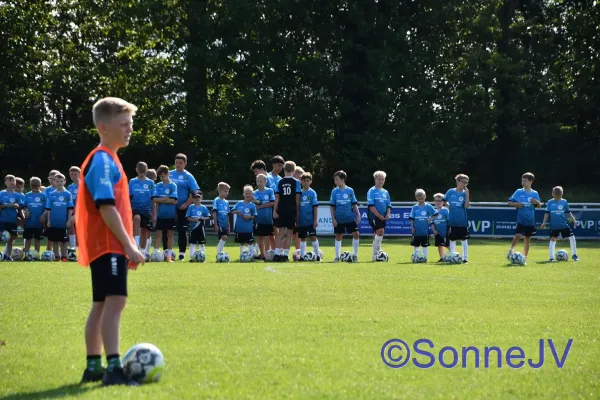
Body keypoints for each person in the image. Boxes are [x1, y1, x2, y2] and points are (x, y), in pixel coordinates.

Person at [76, 97, 144, 386]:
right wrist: (129, 245)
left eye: (130, 123)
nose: (129, 129)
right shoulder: (103, 159)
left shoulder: (109, 158)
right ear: (104, 127)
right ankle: (113, 368)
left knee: (102, 304)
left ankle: (93, 367)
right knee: (115, 302)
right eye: (123, 124)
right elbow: (106, 206)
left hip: (105, 244)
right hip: (108, 244)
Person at [169, 154, 200, 261]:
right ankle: (167, 252)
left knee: (182, 231)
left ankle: (181, 254)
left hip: (183, 208)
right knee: (168, 230)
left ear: (185, 164)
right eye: (176, 162)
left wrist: (186, 204)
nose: (178, 165)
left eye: (180, 163)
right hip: (169, 207)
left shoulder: (188, 176)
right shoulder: (169, 174)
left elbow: (196, 192)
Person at [506, 172, 542, 262]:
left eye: (525, 180)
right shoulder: (518, 192)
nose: (523, 182)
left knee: (527, 238)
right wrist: (516, 204)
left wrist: (537, 202)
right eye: (522, 180)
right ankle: (511, 250)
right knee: (518, 235)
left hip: (530, 220)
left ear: (531, 182)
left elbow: (539, 205)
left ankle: (525, 257)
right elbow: (509, 202)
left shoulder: (534, 193)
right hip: (521, 219)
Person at [541, 186, 579, 262]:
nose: (558, 197)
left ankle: (574, 255)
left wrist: (574, 220)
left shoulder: (564, 202)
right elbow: (547, 213)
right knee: (552, 239)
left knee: (572, 237)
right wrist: (544, 222)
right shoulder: (550, 202)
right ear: (553, 195)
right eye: (556, 196)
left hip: (563, 225)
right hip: (554, 226)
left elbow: (568, 212)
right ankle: (551, 257)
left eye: (559, 196)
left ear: (562, 194)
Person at [330, 170, 361, 262]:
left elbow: (354, 204)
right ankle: (337, 257)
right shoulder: (334, 192)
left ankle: (355, 255)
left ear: (342, 179)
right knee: (338, 236)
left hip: (350, 218)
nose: (335, 181)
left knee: (356, 234)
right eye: (335, 180)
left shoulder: (350, 190)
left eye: (337, 179)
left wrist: (358, 214)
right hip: (339, 219)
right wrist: (333, 219)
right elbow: (332, 207)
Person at [273, 161, 301, 262]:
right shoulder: (296, 182)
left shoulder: (280, 182)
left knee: (280, 233)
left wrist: (275, 210)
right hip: (291, 210)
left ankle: (276, 254)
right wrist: (297, 210)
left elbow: (277, 197)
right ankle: (285, 255)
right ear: (294, 170)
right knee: (289, 233)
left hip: (281, 209)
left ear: (284, 170)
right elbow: (297, 197)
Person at [45, 173, 74, 261]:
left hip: (63, 222)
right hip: (54, 221)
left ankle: (64, 256)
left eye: (61, 181)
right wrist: (49, 221)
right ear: (54, 182)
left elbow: (70, 209)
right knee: (55, 240)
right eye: (57, 181)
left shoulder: (67, 194)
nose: (59, 183)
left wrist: (69, 220)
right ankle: (56, 256)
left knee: (64, 241)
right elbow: (49, 209)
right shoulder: (51, 194)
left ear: (64, 182)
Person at [152, 165, 178, 262]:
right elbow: (154, 199)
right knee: (158, 233)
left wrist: (161, 200)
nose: (162, 178)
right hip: (161, 215)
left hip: (170, 215)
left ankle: (169, 256)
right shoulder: (158, 186)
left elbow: (174, 201)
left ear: (168, 174)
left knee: (170, 234)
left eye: (164, 176)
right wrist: (167, 198)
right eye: (160, 177)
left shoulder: (173, 186)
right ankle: (155, 253)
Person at [444, 174, 470, 263]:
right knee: (452, 239)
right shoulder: (451, 191)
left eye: (467, 182)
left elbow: (466, 206)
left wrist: (467, 195)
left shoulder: (465, 193)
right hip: (453, 220)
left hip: (462, 221)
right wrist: (447, 205)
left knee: (464, 239)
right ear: (458, 181)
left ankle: (465, 258)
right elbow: (444, 200)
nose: (465, 184)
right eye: (463, 182)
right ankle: (452, 256)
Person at [129, 162, 154, 252]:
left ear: (146, 170)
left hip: (146, 209)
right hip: (135, 207)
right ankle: (135, 243)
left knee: (144, 230)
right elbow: (129, 196)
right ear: (136, 170)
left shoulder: (150, 183)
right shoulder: (132, 181)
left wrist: (154, 214)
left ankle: (142, 251)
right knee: (137, 218)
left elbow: (153, 199)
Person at [367, 171, 391, 261]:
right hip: (373, 215)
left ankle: (375, 254)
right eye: (379, 179)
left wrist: (388, 214)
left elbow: (388, 205)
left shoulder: (386, 192)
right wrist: (378, 215)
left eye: (382, 179)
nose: (381, 181)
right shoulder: (372, 191)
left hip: (383, 216)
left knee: (378, 233)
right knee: (380, 231)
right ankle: (376, 253)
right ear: (375, 180)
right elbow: (371, 205)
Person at [409, 189, 438, 261]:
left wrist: (430, 219)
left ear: (425, 196)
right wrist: (412, 227)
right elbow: (411, 218)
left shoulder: (429, 206)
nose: (421, 200)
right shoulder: (415, 207)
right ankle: (416, 257)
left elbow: (436, 214)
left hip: (425, 231)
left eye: (422, 198)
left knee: (425, 245)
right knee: (416, 245)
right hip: (416, 231)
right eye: (419, 198)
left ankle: (424, 258)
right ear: (416, 198)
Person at [0, 175, 24, 261]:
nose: (11, 182)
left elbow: (21, 207)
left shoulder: (17, 195)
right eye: (9, 180)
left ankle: (8, 256)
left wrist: (18, 207)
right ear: (5, 182)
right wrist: (8, 205)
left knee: (10, 239)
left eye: (13, 181)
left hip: (12, 221)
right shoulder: (1, 193)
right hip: (2, 220)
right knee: (1, 236)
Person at [252, 174, 275, 260]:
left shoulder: (270, 191)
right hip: (259, 220)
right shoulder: (254, 193)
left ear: (265, 182)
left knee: (271, 237)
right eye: (257, 181)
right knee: (260, 237)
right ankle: (263, 255)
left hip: (268, 219)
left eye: (261, 181)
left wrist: (261, 206)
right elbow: (255, 204)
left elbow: (273, 202)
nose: (259, 183)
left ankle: (274, 253)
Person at [298, 172, 320, 260]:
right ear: (301, 182)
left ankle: (317, 255)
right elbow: (297, 207)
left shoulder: (312, 193)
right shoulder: (299, 193)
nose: (306, 182)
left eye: (308, 181)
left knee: (313, 237)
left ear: (310, 181)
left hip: (310, 220)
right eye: (304, 181)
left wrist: (315, 220)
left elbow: (315, 208)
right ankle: (302, 256)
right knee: (303, 238)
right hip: (301, 220)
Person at [232, 185, 258, 260]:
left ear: (252, 194)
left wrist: (249, 217)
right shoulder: (239, 203)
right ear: (243, 194)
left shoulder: (252, 205)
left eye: (249, 193)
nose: (248, 195)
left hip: (249, 228)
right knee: (242, 242)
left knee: (250, 242)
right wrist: (238, 212)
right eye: (246, 193)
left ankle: (252, 255)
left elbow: (255, 216)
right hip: (240, 228)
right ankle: (242, 255)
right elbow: (232, 211)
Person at [23, 177, 46, 254]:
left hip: (38, 222)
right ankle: (26, 254)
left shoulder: (43, 196)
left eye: (36, 188)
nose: (35, 189)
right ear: (30, 186)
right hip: (29, 222)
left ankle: (37, 254)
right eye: (33, 188)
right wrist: (26, 210)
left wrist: (43, 215)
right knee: (28, 239)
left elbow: (47, 207)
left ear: (40, 185)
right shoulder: (27, 195)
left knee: (37, 239)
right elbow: (24, 205)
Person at [186, 191, 211, 259]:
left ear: (201, 198)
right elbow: (187, 217)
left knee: (201, 243)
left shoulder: (203, 208)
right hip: (192, 228)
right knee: (192, 243)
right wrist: (193, 220)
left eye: (198, 197)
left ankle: (203, 257)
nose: (197, 199)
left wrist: (202, 218)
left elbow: (208, 216)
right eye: (195, 197)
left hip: (200, 228)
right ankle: (191, 257)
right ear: (193, 198)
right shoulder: (191, 207)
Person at [213, 182, 231, 256]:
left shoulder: (227, 202)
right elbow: (214, 213)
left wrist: (229, 225)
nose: (227, 193)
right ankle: (219, 253)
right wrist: (215, 224)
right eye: (225, 191)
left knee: (222, 238)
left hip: (225, 224)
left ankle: (220, 252)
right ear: (219, 191)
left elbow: (227, 214)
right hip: (219, 223)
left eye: (227, 191)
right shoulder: (216, 200)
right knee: (224, 237)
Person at [431, 193, 450, 262]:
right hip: (437, 232)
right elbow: (432, 222)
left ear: (443, 202)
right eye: (436, 201)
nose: (438, 202)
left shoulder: (445, 210)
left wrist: (449, 229)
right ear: (434, 202)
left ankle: (454, 255)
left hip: (445, 232)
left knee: (447, 244)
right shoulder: (433, 211)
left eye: (440, 200)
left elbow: (449, 220)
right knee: (439, 244)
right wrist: (434, 230)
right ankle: (442, 257)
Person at [67, 166, 81, 249]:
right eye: (71, 174)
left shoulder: (83, 185)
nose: (73, 176)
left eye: (75, 174)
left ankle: (75, 246)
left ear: (79, 174)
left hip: (81, 210)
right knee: (70, 226)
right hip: (71, 210)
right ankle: (74, 245)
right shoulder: (69, 187)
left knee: (77, 226)